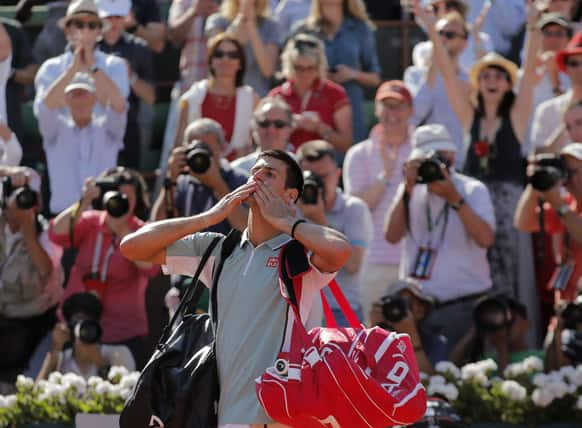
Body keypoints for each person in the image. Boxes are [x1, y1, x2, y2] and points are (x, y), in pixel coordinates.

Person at [120, 149, 351, 427]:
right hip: (217, 414)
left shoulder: (299, 253)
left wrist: (286, 221)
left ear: (290, 195)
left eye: (269, 174)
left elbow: (339, 250)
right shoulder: (219, 249)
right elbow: (132, 247)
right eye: (255, 171)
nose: (256, 177)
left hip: (278, 416)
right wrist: (207, 217)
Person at [414, 0, 540, 301]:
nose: (491, 81)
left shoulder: (516, 118)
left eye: (498, 76)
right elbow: (446, 74)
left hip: (508, 205)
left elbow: (532, 70)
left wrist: (533, 25)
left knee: (509, 278)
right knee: (476, 274)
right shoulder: (469, 118)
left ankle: (512, 342)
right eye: (485, 76)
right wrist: (432, 27)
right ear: (478, 84)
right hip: (473, 204)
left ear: (508, 84)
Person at [384, 124, 495, 348]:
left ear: (452, 156)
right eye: (424, 160)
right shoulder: (410, 190)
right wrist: (407, 188)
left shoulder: (472, 189)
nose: (431, 165)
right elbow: (391, 236)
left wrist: (453, 197)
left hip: (462, 305)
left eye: (438, 157)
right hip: (417, 308)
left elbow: (485, 239)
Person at [48, 167, 159, 368]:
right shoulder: (91, 221)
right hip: (77, 325)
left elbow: (151, 268)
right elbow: (56, 232)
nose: (121, 200)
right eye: (117, 195)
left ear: (137, 201)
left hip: (121, 334)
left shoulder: (143, 231)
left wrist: (124, 232)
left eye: (128, 197)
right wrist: (84, 201)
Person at [343, 80, 413, 323]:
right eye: (387, 106)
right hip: (372, 261)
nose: (392, 114)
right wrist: (386, 175)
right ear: (376, 109)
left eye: (399, 106)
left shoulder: (421, 151)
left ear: (410, 110)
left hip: (412, 262)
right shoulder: (359, 153)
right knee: (373, 337)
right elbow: (357, 209)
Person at [296, 139, 372, 325]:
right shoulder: (292, 208)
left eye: (323, 177)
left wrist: (319, 219)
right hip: (300, 309)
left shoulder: (353, 208)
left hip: (340, 309)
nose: (317, 185)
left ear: (337, 175)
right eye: (310, 178)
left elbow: (353, 265)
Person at [0, 167, 63, 388]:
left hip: (32, 329)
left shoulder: (48, 232)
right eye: (15, 195)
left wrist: (28, 228)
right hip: (3, 324)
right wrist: (6, 172)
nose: (21, 201)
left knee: (22, 391)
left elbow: (46, 271)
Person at [291, 0, 381, 143]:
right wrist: (316, 74)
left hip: (351, 107)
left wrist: (352, 74)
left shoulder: (360, 28)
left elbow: (375, 77)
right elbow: (287, 70)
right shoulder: (303, 30)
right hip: (314, 108)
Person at [37, 71, 126, 215]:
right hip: (63, 217)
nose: (80, 101)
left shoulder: (108, 129)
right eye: (74, 95)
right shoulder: (55, 131)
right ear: (66, 100)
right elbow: (45, 106)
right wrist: (74, 67)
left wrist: (94, 69)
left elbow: (119, 104)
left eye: (84, 94)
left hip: (103, 217)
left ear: (94, 99)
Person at [33, 0, 130, 117]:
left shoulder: (115, 65)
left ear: (99, 32)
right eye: (79, 25)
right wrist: (72, 70)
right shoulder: (50, 67)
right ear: (67, 30)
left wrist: (93, 68)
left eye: (92, 25)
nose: (85, 30)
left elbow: (119, 108)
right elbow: (42, 110)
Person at [151, 118, 249, 232]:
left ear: (221, 149)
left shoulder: (240, 181)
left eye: (206, 150)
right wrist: (170, 179)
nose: (200, 157)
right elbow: (158, 227)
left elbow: (246, 228)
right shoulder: (181, 182)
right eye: (195, 150)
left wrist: (219, 185)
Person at [515, 143, 582, 302]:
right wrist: (535, 184)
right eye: (566, 172)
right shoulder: (567, 204)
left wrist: (559, 205)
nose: (571, 179)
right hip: (566, 307)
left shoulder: (563, 207)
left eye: (573, 172)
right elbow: (523, 222)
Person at [174, 33, 257, 158]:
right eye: (219, 54)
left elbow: (257, 145)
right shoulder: (191, 98)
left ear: (240, 63)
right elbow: (179, 146)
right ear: (211, 61)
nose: (225, 59)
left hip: (239, 172)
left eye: (232, 55)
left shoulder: (252, 99)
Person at [405, 10, 471, 167]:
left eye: (450, 35)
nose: (442, 39)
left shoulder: (469, 81)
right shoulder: (415, 74)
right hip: (425, 158)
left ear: (464, 43)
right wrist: (434, 65)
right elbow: (414, 114)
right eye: (439, 33)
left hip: (460, 162)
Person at [96, 0, 156, 169]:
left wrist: (129, 76)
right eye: (109, 17)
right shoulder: (88, 47)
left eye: (118, 17)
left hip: (130, 126)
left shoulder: (140, 48)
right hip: (96, 126)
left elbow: (150, 97)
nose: (113, 22)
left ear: (126, 18)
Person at [268, 33, 352, 153]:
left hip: (321, 165)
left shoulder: (335, 93)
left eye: (310, 68)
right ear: (289, 66)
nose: (304, 74)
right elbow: (264, 140)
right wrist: (286, 126)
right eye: (299, 68)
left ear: (319, 67)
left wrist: (319, 128)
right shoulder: (277, 96)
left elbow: (346, 144)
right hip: (286, 164)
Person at [37, 292, 135, 381]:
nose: (83, 329)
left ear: (98, 325)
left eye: (88, 323)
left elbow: (128, 395)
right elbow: (37, 394)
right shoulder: (61, 359)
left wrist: (100, 363)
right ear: (69, 327)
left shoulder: (118, 354)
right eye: (77, 322)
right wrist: (55, 349)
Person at [369, 278, 448, 374]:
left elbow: (430, 380)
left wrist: (412, 339)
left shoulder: (435, 342)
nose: (398, 310)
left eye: (408, 304)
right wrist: (372, 330)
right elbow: (360, 368)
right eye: (398, 303)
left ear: (423, 311)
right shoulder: (374, 334)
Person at [206, 0, 281, 97]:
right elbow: (217, 55)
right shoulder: (217, 21)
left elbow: (268, 71)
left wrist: (251, 26)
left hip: (256, 98)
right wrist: (241, 18)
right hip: (221, 97)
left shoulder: (271, 26)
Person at [450, 294, 538, 372]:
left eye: (510, 320)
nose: (504, 325)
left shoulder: (539, 358)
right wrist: (476, 328)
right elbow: (450, 370)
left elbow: (509, 387)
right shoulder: (485, 364)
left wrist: (502, 348)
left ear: (527, 323)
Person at [531, 32, 582, 151]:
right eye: (574, 63)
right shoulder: (547, 110)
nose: (580, 69)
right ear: (566, 67)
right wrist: (568, 126)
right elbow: (536, 156)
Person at [412, 0, 493, 74]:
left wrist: (477, 40)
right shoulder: (422, 50)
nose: (442, 11)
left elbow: (486, 72)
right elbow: (427, 80)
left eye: (449, 5)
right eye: (436, 8)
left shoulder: (483, 39)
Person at [231, 96, 294, 173]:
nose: (271, 130)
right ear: (253, 127)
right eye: (264, 123)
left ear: (290, 128)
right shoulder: (237, 169)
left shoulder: (302, 166)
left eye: (279, 124)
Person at [168, 0, 218, 92]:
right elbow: (174, 36)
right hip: (189, 84)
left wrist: (218, 15)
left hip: (221, 87)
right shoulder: (182, 2)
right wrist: (194, 11)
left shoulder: (229, 3)